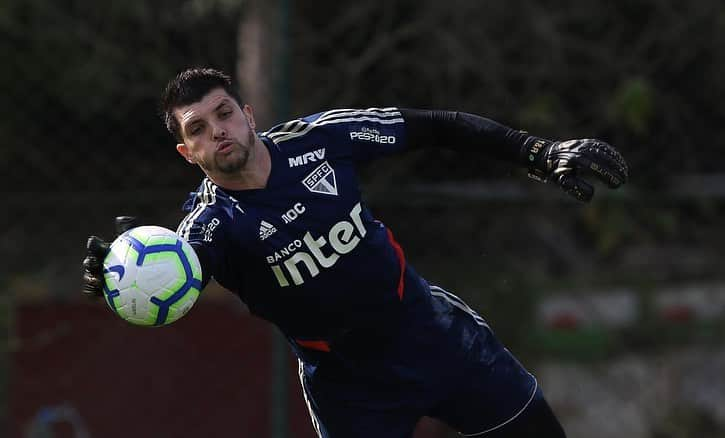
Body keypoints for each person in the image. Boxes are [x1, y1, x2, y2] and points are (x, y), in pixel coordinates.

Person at [82, 67, 628, 437]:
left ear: (247, 113)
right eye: (198, 128)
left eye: (223, 113)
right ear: (186, 151)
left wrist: (538, 150)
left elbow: (437, 127)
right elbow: (182, 276)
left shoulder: (322, 139)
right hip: (347, 386)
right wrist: (120, 281)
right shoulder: (210, 224)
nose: (218, 131)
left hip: (431, 333)